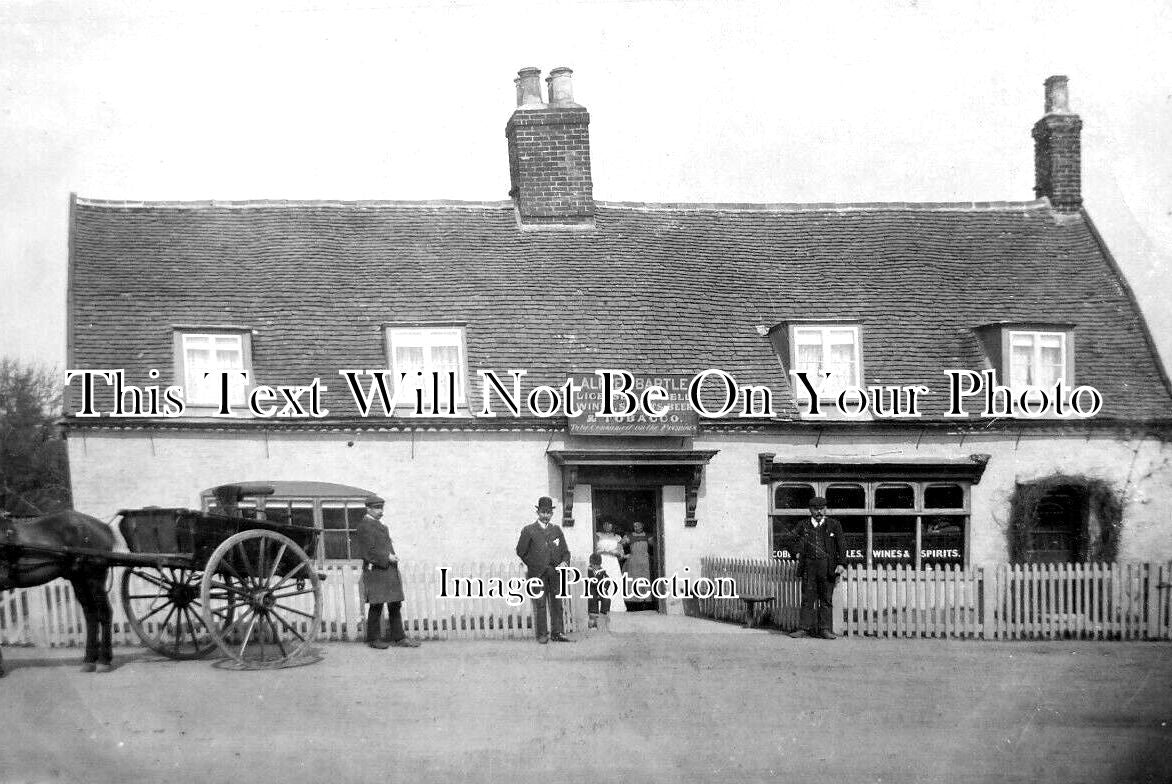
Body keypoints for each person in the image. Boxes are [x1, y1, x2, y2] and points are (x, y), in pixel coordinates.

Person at [355, 495, 421, 649]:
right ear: (368, 508)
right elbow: (367, 553)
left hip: (388, 571)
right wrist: (387, 557)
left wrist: (390, 557)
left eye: (381, 508)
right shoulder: (364, 526)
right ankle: (374, 639)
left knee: (395, 604)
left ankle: (399, 638)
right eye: (377, 508)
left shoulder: (378, 525)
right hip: (377, 571)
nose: (381, 511)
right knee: (376, 605)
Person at [515, 496, 573, 643]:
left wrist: (564, 562)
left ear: (552, 513)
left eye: (548, 512)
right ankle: (542, 634)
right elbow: (521, 551)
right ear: (538, 512)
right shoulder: (529, 530)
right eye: (543, 512)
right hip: (537, 575)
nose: (546, 515)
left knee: (557, 604)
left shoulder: (556, 530)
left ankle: (557, 633)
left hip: (554, 573)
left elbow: (565, 551)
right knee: (540, 604)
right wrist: (534, 565)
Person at [789, 496, 846, 640]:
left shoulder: (834, 525)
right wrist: (795, 552)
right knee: (808, 599)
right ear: (810, 510)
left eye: (822, 508)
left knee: (826, 600)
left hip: (828, 568)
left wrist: (841, 563)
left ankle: (824, 630)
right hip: (809, 567)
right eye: (816, 509)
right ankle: (803, 629)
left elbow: (842, 545)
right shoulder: (803, 525)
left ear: (825, 509)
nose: (819, 512)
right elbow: (789, 540)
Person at [593, 519, 627, 613]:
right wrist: (604, 551)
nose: (607, 526)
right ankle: (602, 605)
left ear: (613, 526)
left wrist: (616, 553)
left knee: (614, 581)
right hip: (602, 560)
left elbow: (621, 554)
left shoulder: (617, 538)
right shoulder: (597, 535)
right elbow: (594, 550)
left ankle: (615, 606)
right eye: (605, 524)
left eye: (609, 524)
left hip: (613, 562)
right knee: (602, 581)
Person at [625, 520, 653, 609]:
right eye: (635, 526)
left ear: (642, 525)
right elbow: (620, 544)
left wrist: (650, 554)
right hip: (634, 561)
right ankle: (634, 603)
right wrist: (624, 555)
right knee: (634, 580)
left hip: (645, 561)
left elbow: (656, 544)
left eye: (638, 525)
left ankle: (646, 602)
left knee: (645, 580)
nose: (636, 527)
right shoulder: (629, 536)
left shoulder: (648, 536)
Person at [586, 552, 612, 633]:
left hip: (600, 589)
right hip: (592, 589)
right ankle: (593, 620)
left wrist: (604, 588)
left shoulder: (602, 571)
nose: (596, 567)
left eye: (598, 565)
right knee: (592, 598)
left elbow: (607, 580)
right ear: (591, 563)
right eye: (595, 565)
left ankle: (603, 616)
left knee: (606, 598)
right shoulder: (589, 571)